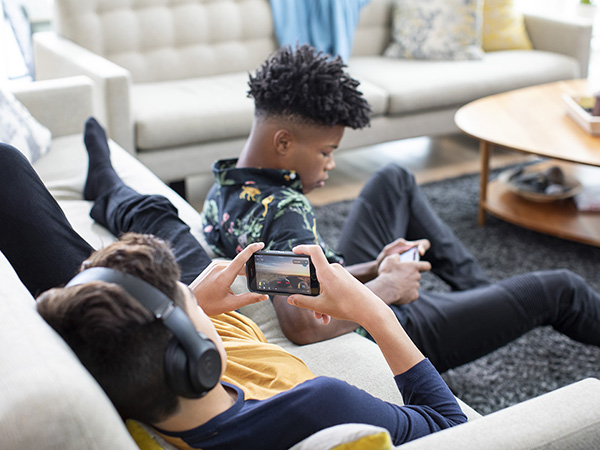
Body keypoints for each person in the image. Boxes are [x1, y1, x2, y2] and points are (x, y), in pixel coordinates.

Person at [0, 124, 465, 448]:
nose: (196, 299)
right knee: (166, 224)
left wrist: (189, 302)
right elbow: (452, 427)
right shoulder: (317, 405)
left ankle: (108, 185)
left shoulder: (119, 376)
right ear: (199, 358)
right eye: (191, 305)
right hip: (251, 357)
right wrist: (372, 310)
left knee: (157, 220)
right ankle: (110, 188)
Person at [200, 44, 600, 372]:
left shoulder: (224, 188)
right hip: (388, 331)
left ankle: (481, 295)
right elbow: (303, 324)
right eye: (326, 151)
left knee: (393, 179)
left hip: (347, 285)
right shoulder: (286, 212)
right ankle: (488, 300)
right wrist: (387, 288)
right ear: (284, 142)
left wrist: (373, 268)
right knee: (558, 288)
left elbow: (283, 278)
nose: (331, 164)